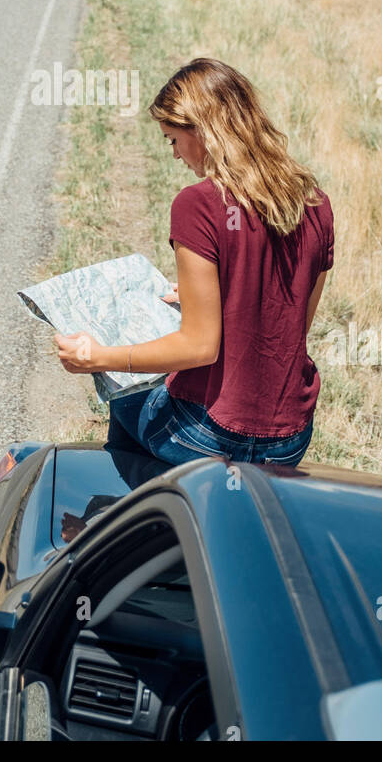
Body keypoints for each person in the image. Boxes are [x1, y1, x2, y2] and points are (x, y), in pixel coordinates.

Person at [54, 57, 333, 467]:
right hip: (289, 438)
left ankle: (131, 512)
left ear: (202, 132)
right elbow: (290, 326)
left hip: (210, 434)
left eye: (172, 139)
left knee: (128, 393)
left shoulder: (198, 205)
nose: (174, 154)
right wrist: (219, 299)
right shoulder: (315, 202)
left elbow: (199, 347)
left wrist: (99, 357)